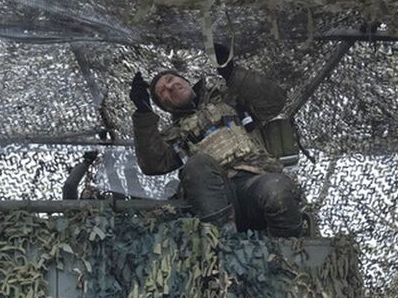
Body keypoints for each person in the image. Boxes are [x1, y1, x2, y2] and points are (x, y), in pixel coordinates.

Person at [129, 44, 305, 237]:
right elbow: (153, 164)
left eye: (170, 80)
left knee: (277, 190)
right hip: (216, 199)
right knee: (197, 163)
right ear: (165, 107)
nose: (169, 87)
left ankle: (287, 254)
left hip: (255, 181)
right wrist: (144, 113)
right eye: (162, 92)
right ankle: (223, 247)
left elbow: (275, 102)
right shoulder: (174, 134)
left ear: (185, 80)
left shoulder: (231, 98)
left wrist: (231, 73)